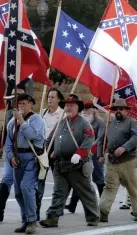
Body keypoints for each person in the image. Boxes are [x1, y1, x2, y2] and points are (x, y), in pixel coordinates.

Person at [40, 94, 98, 228]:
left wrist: (80, 153)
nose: (68, 108)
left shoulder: (83, 122)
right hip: (60, 164)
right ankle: (53, 217)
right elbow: (51, 138)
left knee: (85, 191)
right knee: (59, 192)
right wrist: (47, 153)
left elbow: (89, 139)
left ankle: (93, 216)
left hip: (77, 164)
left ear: (78, 107)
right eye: (67, 105)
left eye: (72, 105)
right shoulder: (61, 121)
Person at [4, 93, 44, 234]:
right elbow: (8, 143)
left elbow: (32, 135)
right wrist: (10, 157)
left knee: (26, 187)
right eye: (19, 104)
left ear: (31, 104)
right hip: (18, 159)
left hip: (31, 157)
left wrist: (21, 120)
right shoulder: (11, 123)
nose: (21, 106)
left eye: (24, 103)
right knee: (19, 192)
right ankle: (25, 220)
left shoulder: (37, 119)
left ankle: (32, 220)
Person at [97, 99, 137, 222]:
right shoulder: (109, 124)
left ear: (127, 111)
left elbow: (136, 137)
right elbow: (102, 140)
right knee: (109, 187)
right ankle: (103, 212)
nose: (118, 111)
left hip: (128, 161)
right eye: (116, 109)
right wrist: (100, 155)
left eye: (121, 109)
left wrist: (124, 147)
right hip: (112, 161)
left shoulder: (133, 123)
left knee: (132, 188)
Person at [0, 88, 25, 222]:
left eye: (16, 97)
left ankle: (29, 213)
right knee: (6, 179)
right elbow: (4, 130)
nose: (13, 100)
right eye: (12, 98)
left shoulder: (28, 114)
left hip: (23, 153)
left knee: (24, 186)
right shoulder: (8, 113)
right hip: (10, 152)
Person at [65, 101, 105, 213]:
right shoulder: (81, 122)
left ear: (94, 110)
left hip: (95, 153)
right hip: (83, 153)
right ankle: (72, 205)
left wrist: (92, 147)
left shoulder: (100, 122)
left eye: (88, 109)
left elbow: (100, 138)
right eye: (84, 109)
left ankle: (104, 203)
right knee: (80, 179)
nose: (85, 111)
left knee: (98, 178)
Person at [37, 88, 64, 220]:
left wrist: (56, 150)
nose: (50, 99)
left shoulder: (62, 115)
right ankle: (35, 211)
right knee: (39, 181)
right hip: (43, 153)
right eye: (48, 97)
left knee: (59, 184)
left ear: (59, 99)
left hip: (56, 153)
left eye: (53, 97)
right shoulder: (42, 114)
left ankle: (56, 210)